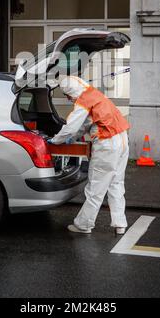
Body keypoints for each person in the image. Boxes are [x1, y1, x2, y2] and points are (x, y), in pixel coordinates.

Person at [48, 76, 130, 235]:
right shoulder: (95, 95)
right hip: (122, 139)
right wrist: (74, 136)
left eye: (67, 95)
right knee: (116, 182)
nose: (68, 99)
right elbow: (86, 124)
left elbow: (71, 128)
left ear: (71, 92)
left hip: (107, 144)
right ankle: (120, 223)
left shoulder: (83, 101)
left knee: (96, 186)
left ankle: (84, 224)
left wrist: (56, 140)